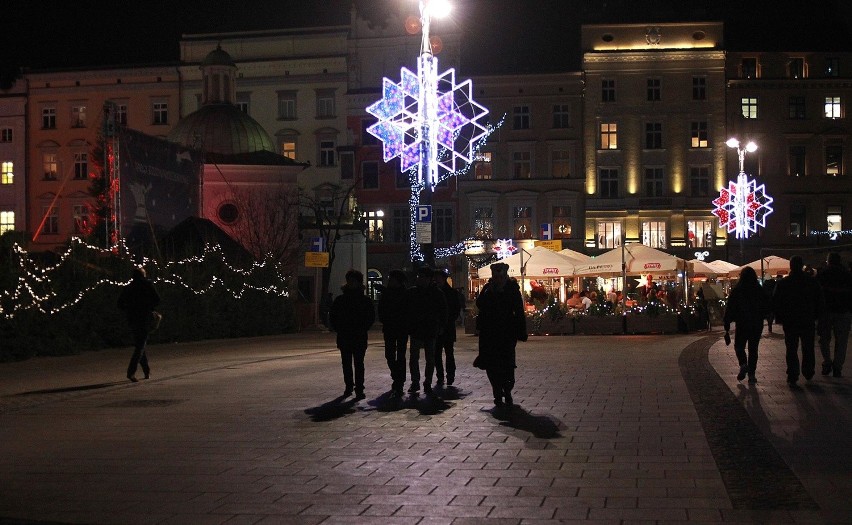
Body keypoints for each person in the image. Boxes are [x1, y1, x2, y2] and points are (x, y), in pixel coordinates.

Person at [475, 262, 527, 407]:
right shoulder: (487, 288)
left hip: (506, 333)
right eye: (495, 275)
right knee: (491, 365)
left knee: (508, 364)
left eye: (500, 275)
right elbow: (480, 304)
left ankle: (507, 389)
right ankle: (497, 391)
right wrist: (489, 292)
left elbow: (518, 311)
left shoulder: (512, 288)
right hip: (489, 333)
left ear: (505, 275)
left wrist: (521, 331)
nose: (497, 278)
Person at [772, 255, 825, 386]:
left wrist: (779, 317)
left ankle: (793, 374)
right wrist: (818, 316)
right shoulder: (812, 282)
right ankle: (808, 370)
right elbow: (819, 300)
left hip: (790, 320)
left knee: (791, 348)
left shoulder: (784, 283)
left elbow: (776, 302)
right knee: (808, 347)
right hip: (807, 318)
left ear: (791, 266)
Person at [329, 270, 376, 399]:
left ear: (358, 283)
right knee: (346, 363)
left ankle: (359, 388)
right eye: (349, 281)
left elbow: (370, 317)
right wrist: (339, 328)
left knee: (358, 363)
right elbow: (333, 316)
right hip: (345, 335)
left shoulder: (364, 300)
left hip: (359, 336)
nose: (351, 283)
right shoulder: (341, 300)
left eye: (353, 281)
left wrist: (362, 328)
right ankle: (349, 386)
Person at [405, 266, 447, 395]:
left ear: (429, 279)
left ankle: (427, 381)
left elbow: (443, 311)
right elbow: (406, 309)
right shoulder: (413, 292)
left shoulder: (437, 293)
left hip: (430, 329)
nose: (420, 279)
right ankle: (415, 381)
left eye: (423, 277)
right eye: (419, 276)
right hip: (417, 329)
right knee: (414, 358)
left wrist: (441, 326)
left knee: (430, 358)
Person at [723, 266, 770, 383]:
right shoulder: (759, 289)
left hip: (742, 322)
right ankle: (752, 375)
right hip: (756, 323)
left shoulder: (738, 290)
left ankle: (743, 364)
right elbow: (766, 304)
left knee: (739, 346)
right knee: (753, 349)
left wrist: (727, 322)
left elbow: (730, 307)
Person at [117, 267, 160, 382]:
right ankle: (131, 372)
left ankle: (146, 371)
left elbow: (120, 304)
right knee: (140, 345)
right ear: (143, 275)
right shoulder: (147, 285)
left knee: (140, 344)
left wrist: (130, 308)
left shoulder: (129, 287)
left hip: (132, 318)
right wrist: (148, 307)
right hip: (144, 318)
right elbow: (157, 300)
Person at [816, 252, 852, 377]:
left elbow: (817, 294)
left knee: (824, 339)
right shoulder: (847, 275)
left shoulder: (822, 274)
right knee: (841, 341)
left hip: (826, 311)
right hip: (843, 311)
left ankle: (827, 361)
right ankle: (837, 366)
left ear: (828, 261)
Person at [378, 270, 409, 397]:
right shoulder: (386, 294)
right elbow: (381, 309)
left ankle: (399, 382)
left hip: (401, 328)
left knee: (401, 355)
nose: (389, 281)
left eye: (392, 279)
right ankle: (397, 377)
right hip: (389, 327)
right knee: (389, 355)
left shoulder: (404, 294)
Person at [434, 269, 463, 386]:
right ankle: (440, 375)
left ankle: (450, 374)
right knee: (437, 353)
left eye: (438, 277)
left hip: (448, 327)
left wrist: (448, 321)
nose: (436, 280)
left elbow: (455, 310)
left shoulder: (451, 293)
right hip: (437, 327)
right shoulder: (434, 292)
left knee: (449, 352)